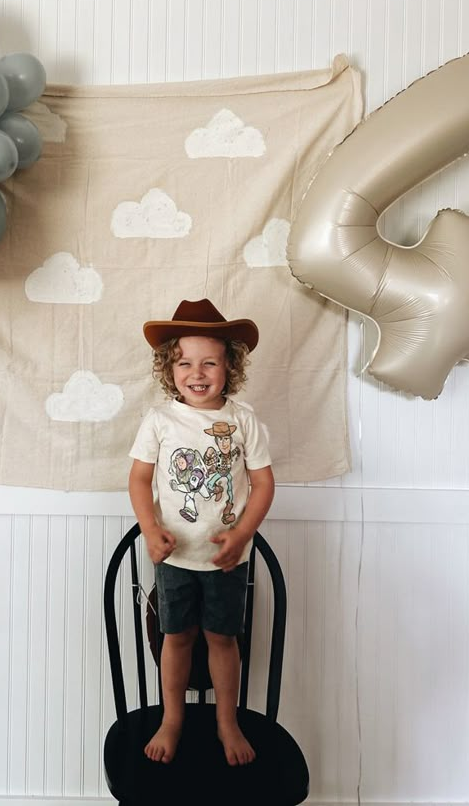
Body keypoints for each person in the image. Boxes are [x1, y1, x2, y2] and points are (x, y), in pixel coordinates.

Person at [128, 298, 275, 767]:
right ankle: (172, 719)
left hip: (225, 559)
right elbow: (138, 479)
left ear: (229, 366)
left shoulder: (243, 420)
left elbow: (263, 483)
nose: (197, 372)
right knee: (177, 637)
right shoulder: (159, 420)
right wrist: (150, 529)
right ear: (168, 369)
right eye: (184, 362)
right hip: (173, 557)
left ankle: (225, 721)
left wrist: (242, 534)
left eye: (209, 361)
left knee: (223, 639)